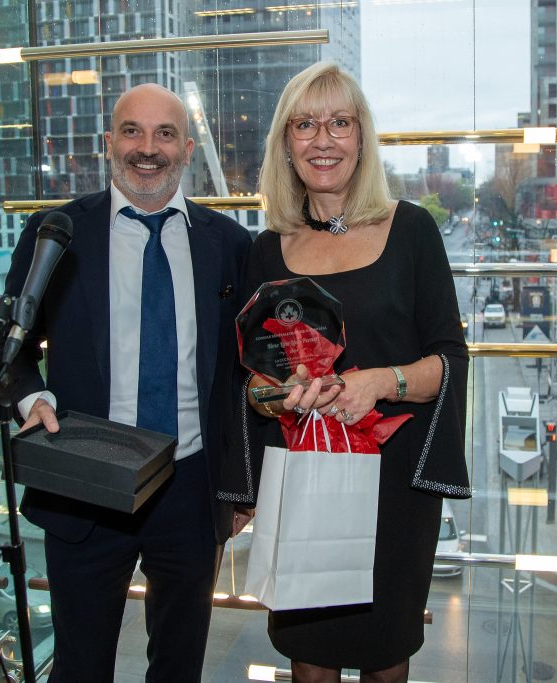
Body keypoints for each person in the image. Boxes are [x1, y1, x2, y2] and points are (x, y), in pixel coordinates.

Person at [226, 62, 471, 682]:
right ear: (286, 143)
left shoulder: (411, 230)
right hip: (304, 478)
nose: (323, 139)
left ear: (362, 137)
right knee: (310, 660)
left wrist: (378, 383)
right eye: (305, 124)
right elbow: (251, 384)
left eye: (340, 122)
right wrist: (280, 397)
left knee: (387, 658)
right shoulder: (266, 249)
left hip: (396, 487)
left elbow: (449, 360)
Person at [4, 83, 254, 682]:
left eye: (165, 133)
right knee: (80, 667)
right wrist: (31, 398)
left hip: (191, 490)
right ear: (108, 142)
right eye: (132, 131)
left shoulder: (229, 244)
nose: (148, 148)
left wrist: (241, 484)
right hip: (86, 483)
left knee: (179, 666)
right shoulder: (56, 232)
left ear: (187, 148)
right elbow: (10, 349)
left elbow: (243, 376)